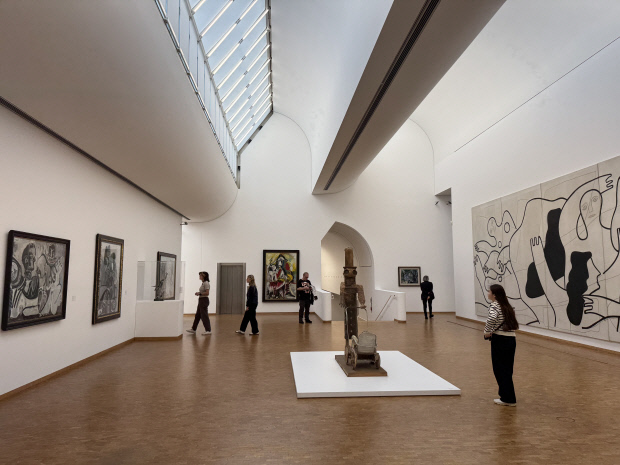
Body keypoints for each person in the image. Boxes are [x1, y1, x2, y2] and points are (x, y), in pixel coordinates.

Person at [484, 283, 519, 407]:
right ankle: (508, 396)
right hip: (511, 339)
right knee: (507, 369)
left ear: (494, 295)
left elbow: (491, 318)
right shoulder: (506, 305)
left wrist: (487, 332)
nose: (488, 293)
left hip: (500, 340)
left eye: (489, 291)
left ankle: (507, 398)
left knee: (499, 369)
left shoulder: (494, 305)